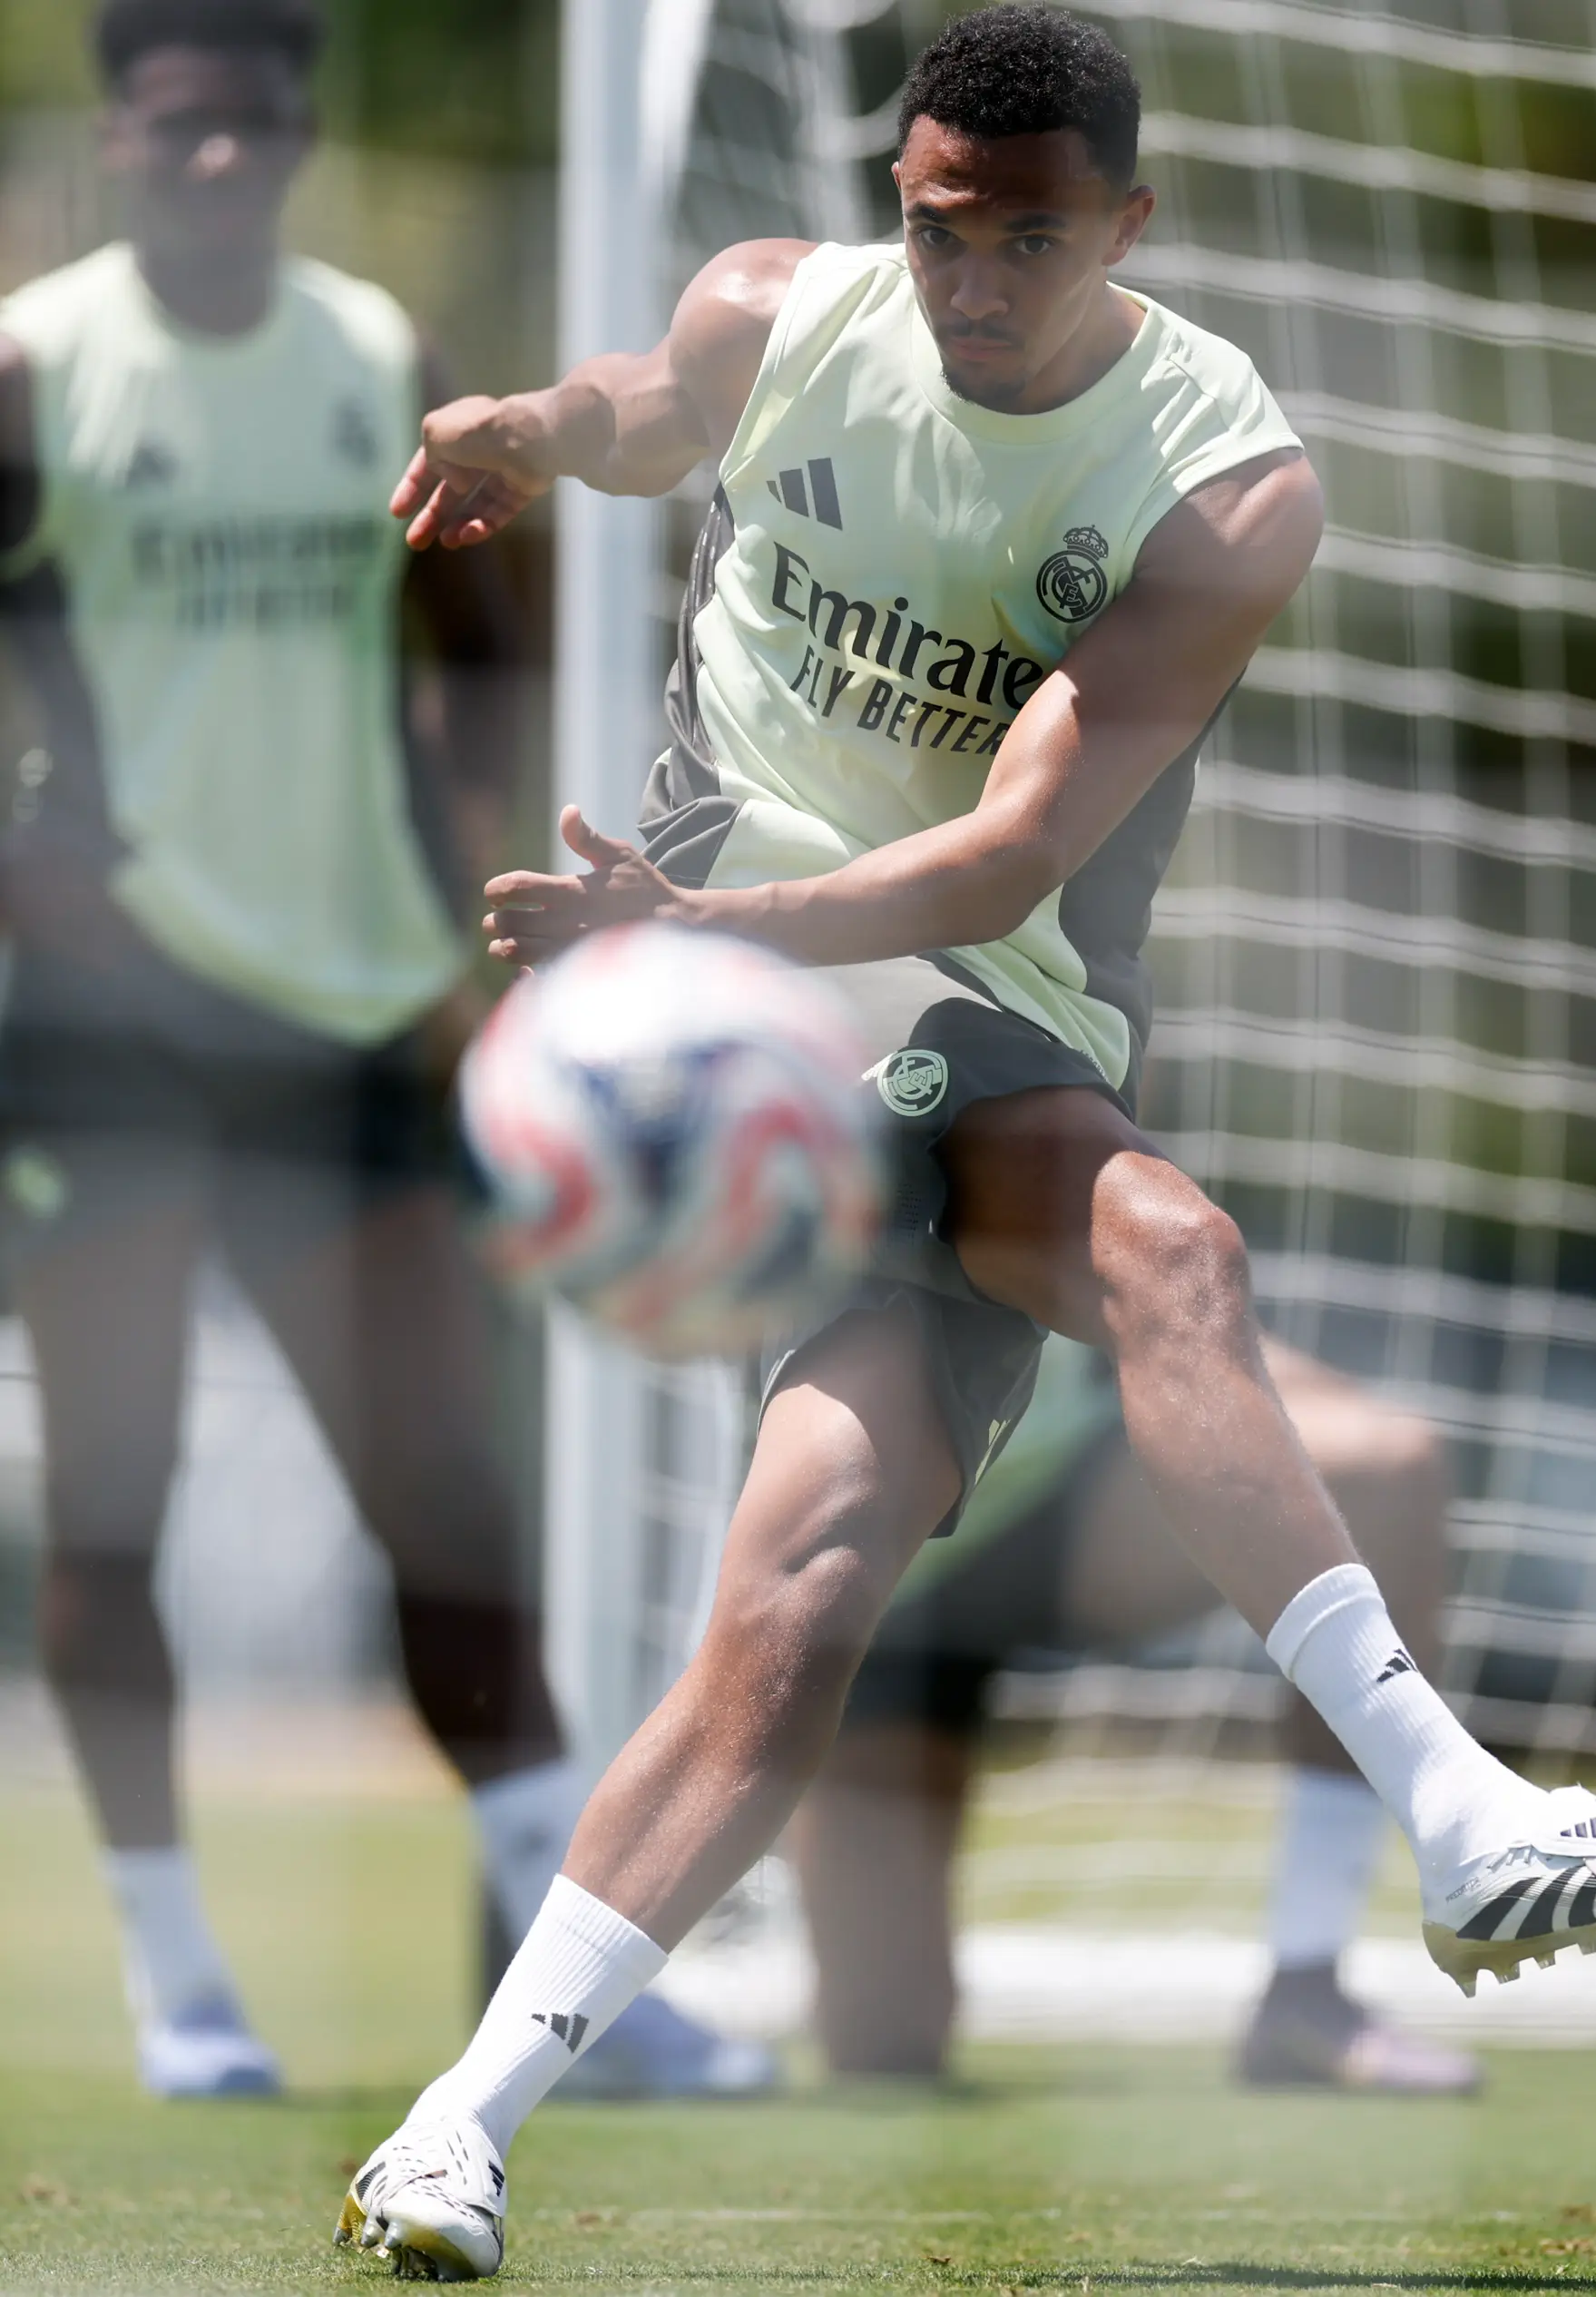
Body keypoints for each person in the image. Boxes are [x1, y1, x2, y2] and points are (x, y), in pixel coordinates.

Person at [339, 6, 1596, 2275]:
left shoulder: (1221, 484)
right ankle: (1460, 1811)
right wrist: (530, 420)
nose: (965, 279)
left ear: (1124, 228)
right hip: (741, 1027)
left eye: (1019, 239)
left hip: (943, 985)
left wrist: (711, 916)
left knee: (856, 1551)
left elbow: (1003, 862)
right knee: (1077, 1334)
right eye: (931, 227)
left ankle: (457, 2113)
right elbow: (648, 404)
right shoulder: (787, 312)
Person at [0, 0, 768, 2105]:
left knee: (440, 1502)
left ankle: (578, 1990)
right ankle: (177, 1986)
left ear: (301, 132)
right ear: (121, 140)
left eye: (254, 131)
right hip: (108, 1039)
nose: (218, 166)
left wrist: (462, 916)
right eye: (178, 135)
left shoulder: (373, 360)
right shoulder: (38, 368)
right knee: (113, 1511)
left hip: (345, 1026)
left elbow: (468, 661)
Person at [795, 1333, 1480, 2095]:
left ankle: (1306, 1984)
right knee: (884, 2046)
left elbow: (1126, 1281)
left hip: (1062, 1492)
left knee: (1381, 1466)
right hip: (878, 1571)